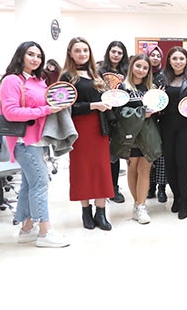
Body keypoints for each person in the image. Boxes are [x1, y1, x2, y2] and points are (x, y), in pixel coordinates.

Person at [1, 41, 69, 247]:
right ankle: (44, 231)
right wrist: (45, 110)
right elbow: (10, 112)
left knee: (29, 185)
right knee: (40, 183)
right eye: (31, 54)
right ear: (20, 55)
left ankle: (27, 228)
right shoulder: (12, 80)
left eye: (39, 56)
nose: (35, 59)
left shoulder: (38, 80)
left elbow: (48, 102)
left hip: (39, 140)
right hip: (24, 141)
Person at [60, 37, 114, 231]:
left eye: (85, 50)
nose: (82, 54)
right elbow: (66, 107)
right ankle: (86, 211)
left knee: (101, 169)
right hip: (79, 128)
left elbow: (106, 99)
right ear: (70, 53)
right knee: (82, 170)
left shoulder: (96, 73)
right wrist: (93, 105)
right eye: (78, 50)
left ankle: (101, 212)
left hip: (100, 128)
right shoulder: (67, 76)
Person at [113, 54, 162, 224]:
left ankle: (141, 206)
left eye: (145, 68)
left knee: (145, 169)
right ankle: (137, 204)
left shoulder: (152, 88)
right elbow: (118, 112)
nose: (141, 70)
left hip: (148, 135)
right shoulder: (123, 87)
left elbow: (158, 111)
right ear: (132, 66)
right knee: (132, 168)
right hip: (130, 136)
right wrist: (141, 113)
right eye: (138, 66)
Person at [158, 47, 187, 219]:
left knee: (183, 163)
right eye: (174, 58)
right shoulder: (161, 78)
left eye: (181, 58)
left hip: (186, 126)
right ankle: (176, 196)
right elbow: (155, 100)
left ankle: (184, 201)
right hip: (166, 125)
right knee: (170, 163)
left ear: (186, 60)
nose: (178, 62)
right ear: (169, 60)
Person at [99, 41, 130, 204]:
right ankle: (107, 188)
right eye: (114, 52)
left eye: (119, 52)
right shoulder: (99, 71)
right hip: (104, 116)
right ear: (108, 52)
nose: (116, 55)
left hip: (124, 117)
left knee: (117, 154)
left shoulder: (127, 72)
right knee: (106, 155)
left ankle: (115, 187)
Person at [145, 44, 168, 203]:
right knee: (148, 154)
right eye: (152, 55)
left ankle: (162, 188)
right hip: (146, 120)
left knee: (161, 156)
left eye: (158, 56)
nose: (155, 58)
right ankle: (150, 186)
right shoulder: (142, 73)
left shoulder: (164, 75)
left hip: (162, 120)